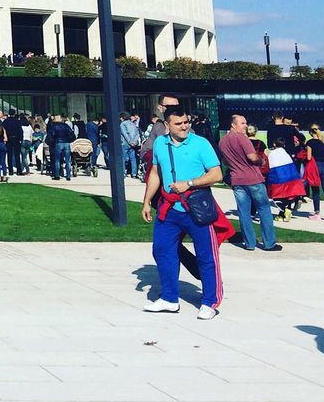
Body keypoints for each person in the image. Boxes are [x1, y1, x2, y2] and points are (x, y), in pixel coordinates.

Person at [142, 106, 224, 319]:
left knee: (206, 256)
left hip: (196, 208)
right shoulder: (161, 143)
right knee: (162, 251)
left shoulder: (200, 144)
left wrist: (190, 183)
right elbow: (155, 173)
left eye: (186, 122)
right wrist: (146, 201)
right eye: (178, 124)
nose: (184, 126)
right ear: (167, 125)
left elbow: (217, 174)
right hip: (169, 209)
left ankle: (210, 301)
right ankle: (169, 298)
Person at [218, 114, 280, 252]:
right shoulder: (242, 139)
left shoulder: (223, 141)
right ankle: (269, 242)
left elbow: (225, 161)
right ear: (233, 125)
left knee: (244, 212)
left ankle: (249, 243)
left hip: (237, 180)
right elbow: (252, 157)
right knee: (264, 209)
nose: (245, 125)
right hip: (253, 179)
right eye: (242, 123)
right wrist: (261, 161)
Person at [305, 125, 324, 220]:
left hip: (315, 166)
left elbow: (309, 157)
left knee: (315, 190)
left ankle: (317, 213)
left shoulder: (310, 142)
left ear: (310, 133)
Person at [120, 112, 141, 178]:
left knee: (123, 158)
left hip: (125, 143)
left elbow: (124, 133)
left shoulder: (122, 124)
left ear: (122, 118)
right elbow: (137, 133)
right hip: (134, 143)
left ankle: (123, 173)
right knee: (133, 158)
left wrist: (130, 141)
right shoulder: (133, 123)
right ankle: (134, 173)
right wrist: (134, 142)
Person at [2, 111, 23, 176]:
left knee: (9, 155)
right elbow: (20, 131)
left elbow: (3, 130)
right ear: (14, 114)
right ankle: (19, 170)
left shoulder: (5, 121)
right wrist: (20, 139)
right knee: (17, 155)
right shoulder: (17, 121)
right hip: (16, 138)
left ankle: (10, 170)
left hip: (8, 139)